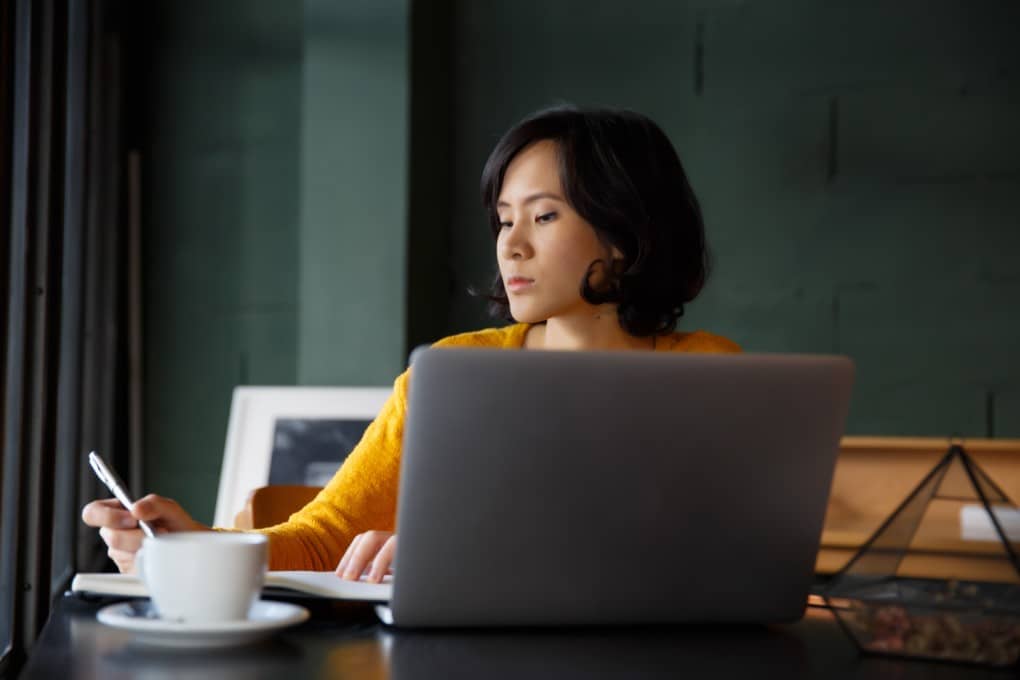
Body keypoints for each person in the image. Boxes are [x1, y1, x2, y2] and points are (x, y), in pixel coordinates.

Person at [82, 105, 740, 584]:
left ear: (625, 234)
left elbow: (719, 550)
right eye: (503, 220)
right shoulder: (454, 373)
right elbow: (322, 541)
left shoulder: (712, 373)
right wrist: (197, 547)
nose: (511, 244)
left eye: (544, 216)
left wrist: (462, 551)